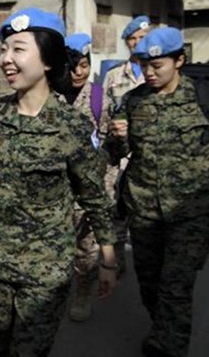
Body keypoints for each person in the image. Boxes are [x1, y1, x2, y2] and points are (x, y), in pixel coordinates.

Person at [0, 8, 118, 357]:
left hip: (43, 273)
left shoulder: (71, 127)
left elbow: (93, 197)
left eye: (18, 49)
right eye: (4, 50)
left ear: (47, 59)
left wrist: (108, 258)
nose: (6, 59)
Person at [105, 27, 209, 357]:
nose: (149, 73)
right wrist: (116, 137)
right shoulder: (133, 101)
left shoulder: (203, 96)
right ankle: (162, 332)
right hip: (145, 211)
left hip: (190, 214)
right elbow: (113, 155)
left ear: (179, 60)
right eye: (143, 65)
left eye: (157, 66)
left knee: (175, 288)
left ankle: (170, 348)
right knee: (150, 285)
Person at [101, 15, 151, 273]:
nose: (135, 44)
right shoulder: (113, 75)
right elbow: (104, 114)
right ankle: (115, 262)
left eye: (140, 38)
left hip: (149, 156)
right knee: (116, 211)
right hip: (121, 156)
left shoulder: (159, 72)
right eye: (131, 39)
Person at [62, 33, 105, 322]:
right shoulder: (50, 96)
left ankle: (83, 290)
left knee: (85, 247)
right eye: (74, 66)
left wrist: (104, 191)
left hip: (86, 188)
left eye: (85, 65)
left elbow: (106, 149)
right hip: (55, 190)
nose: (79, 72)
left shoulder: (99, 97)